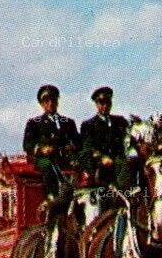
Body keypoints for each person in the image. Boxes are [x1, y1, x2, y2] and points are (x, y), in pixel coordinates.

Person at [23, 84, 80, 215]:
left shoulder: (68, 122)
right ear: (41, 104)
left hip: (63, 159)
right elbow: (27, 145)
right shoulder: (34, 123)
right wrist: (42, 149)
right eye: (46, 101)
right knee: (48, 165)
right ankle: (51, 196)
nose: (50, 103)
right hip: (42, 161)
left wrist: (71, 148)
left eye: (53, 100)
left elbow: (78, 142)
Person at [78, 86, 132, 190]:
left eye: (108, 103)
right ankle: (119, 194)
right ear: (96, 104)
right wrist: (102, 157)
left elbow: (129, 138)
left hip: (118, 159)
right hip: (99, 162)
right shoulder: (88, 124)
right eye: (102, 103)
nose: (105, 106)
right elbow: (87, 147)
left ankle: (126, 193)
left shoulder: (120, 121)